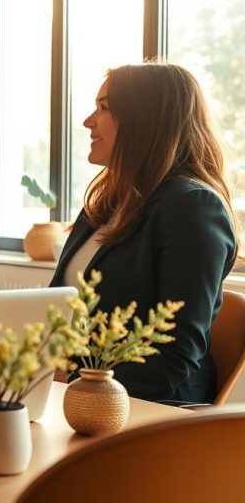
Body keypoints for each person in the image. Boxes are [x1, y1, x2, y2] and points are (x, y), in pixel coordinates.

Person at [50, 62, 239, 404]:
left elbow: (173, 361)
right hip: (75, 395)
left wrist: (74, 379)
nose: (88, 121)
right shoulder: (104, 203)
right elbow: (55, 314)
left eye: (104, 108)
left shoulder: (192, 207)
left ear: (145, 119)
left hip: (152, 411)